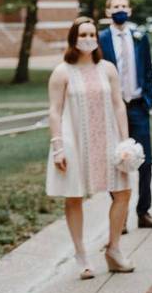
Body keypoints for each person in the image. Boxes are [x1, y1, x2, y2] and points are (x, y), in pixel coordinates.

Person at [46, 17, 134, 279]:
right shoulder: (62, 71)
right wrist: (58, 146)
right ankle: (81, 254)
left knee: (123, 192)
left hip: (108, 139)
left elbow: (119, 104)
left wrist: (125, 140)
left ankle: (114, 249)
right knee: (74, 196)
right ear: (73, 38)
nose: (88, 39)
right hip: (75, 141)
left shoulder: (107, 68)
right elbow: (55, 110)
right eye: (83, 34)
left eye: (92, 34)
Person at [99, 0, 152, 232]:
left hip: (137, 106)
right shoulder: (102, 38)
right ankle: (120, 215)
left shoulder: (139, 37)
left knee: (145, 161)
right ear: (108, 12)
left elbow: (147, 71)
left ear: (130, 10)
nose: (120, 9)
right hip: (113, 109)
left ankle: (143, 211)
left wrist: (147, 100)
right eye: (115, 6)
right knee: (115, 160)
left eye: (124, 5)